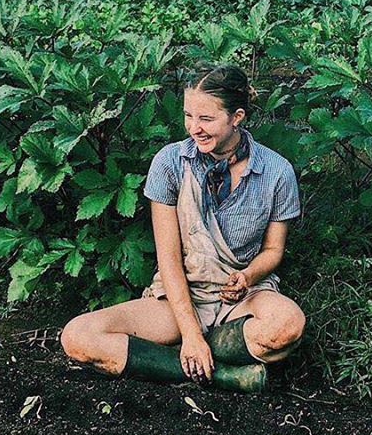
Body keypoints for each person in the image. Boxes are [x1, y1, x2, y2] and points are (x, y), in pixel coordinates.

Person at [61, 63, 306, 393]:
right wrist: (190, 333)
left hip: (242, 300)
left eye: (206, 119)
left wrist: (247, 276)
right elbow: (169, 260)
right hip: (176, 300)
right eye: (189, 116)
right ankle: (224, 374)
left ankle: (177, 358)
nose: (195, 128)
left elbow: (274, 250)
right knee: (78, 337)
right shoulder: (170, 162)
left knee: (288, 327)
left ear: (237, 117)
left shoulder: (277, 172)